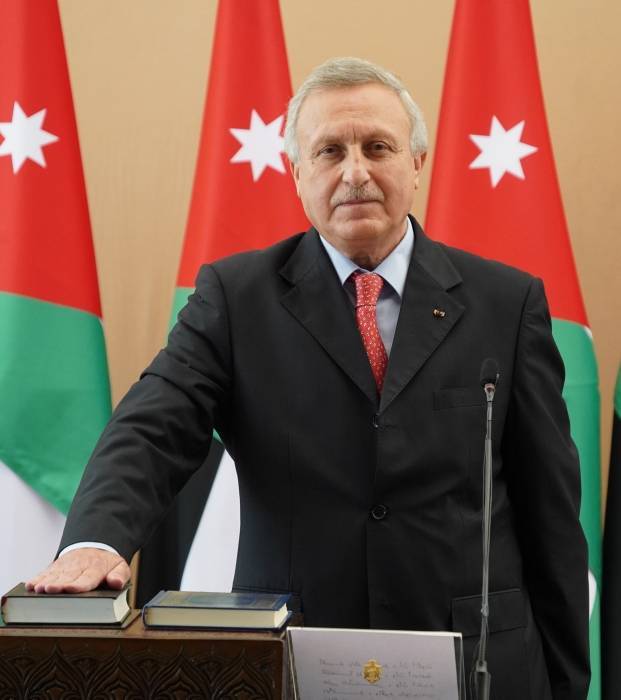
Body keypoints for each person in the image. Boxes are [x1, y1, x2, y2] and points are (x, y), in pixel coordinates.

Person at [27, 57, 589, 699]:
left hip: (480, 664)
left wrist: (569, 682)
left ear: (416, 164)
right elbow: (155, 423)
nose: (355, 172)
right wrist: (96, 541)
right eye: (329, 151)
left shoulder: (507, 304)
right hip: (291, 663)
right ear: (297, 174)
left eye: (377, 147)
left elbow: (551, 517)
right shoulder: (236, 299)